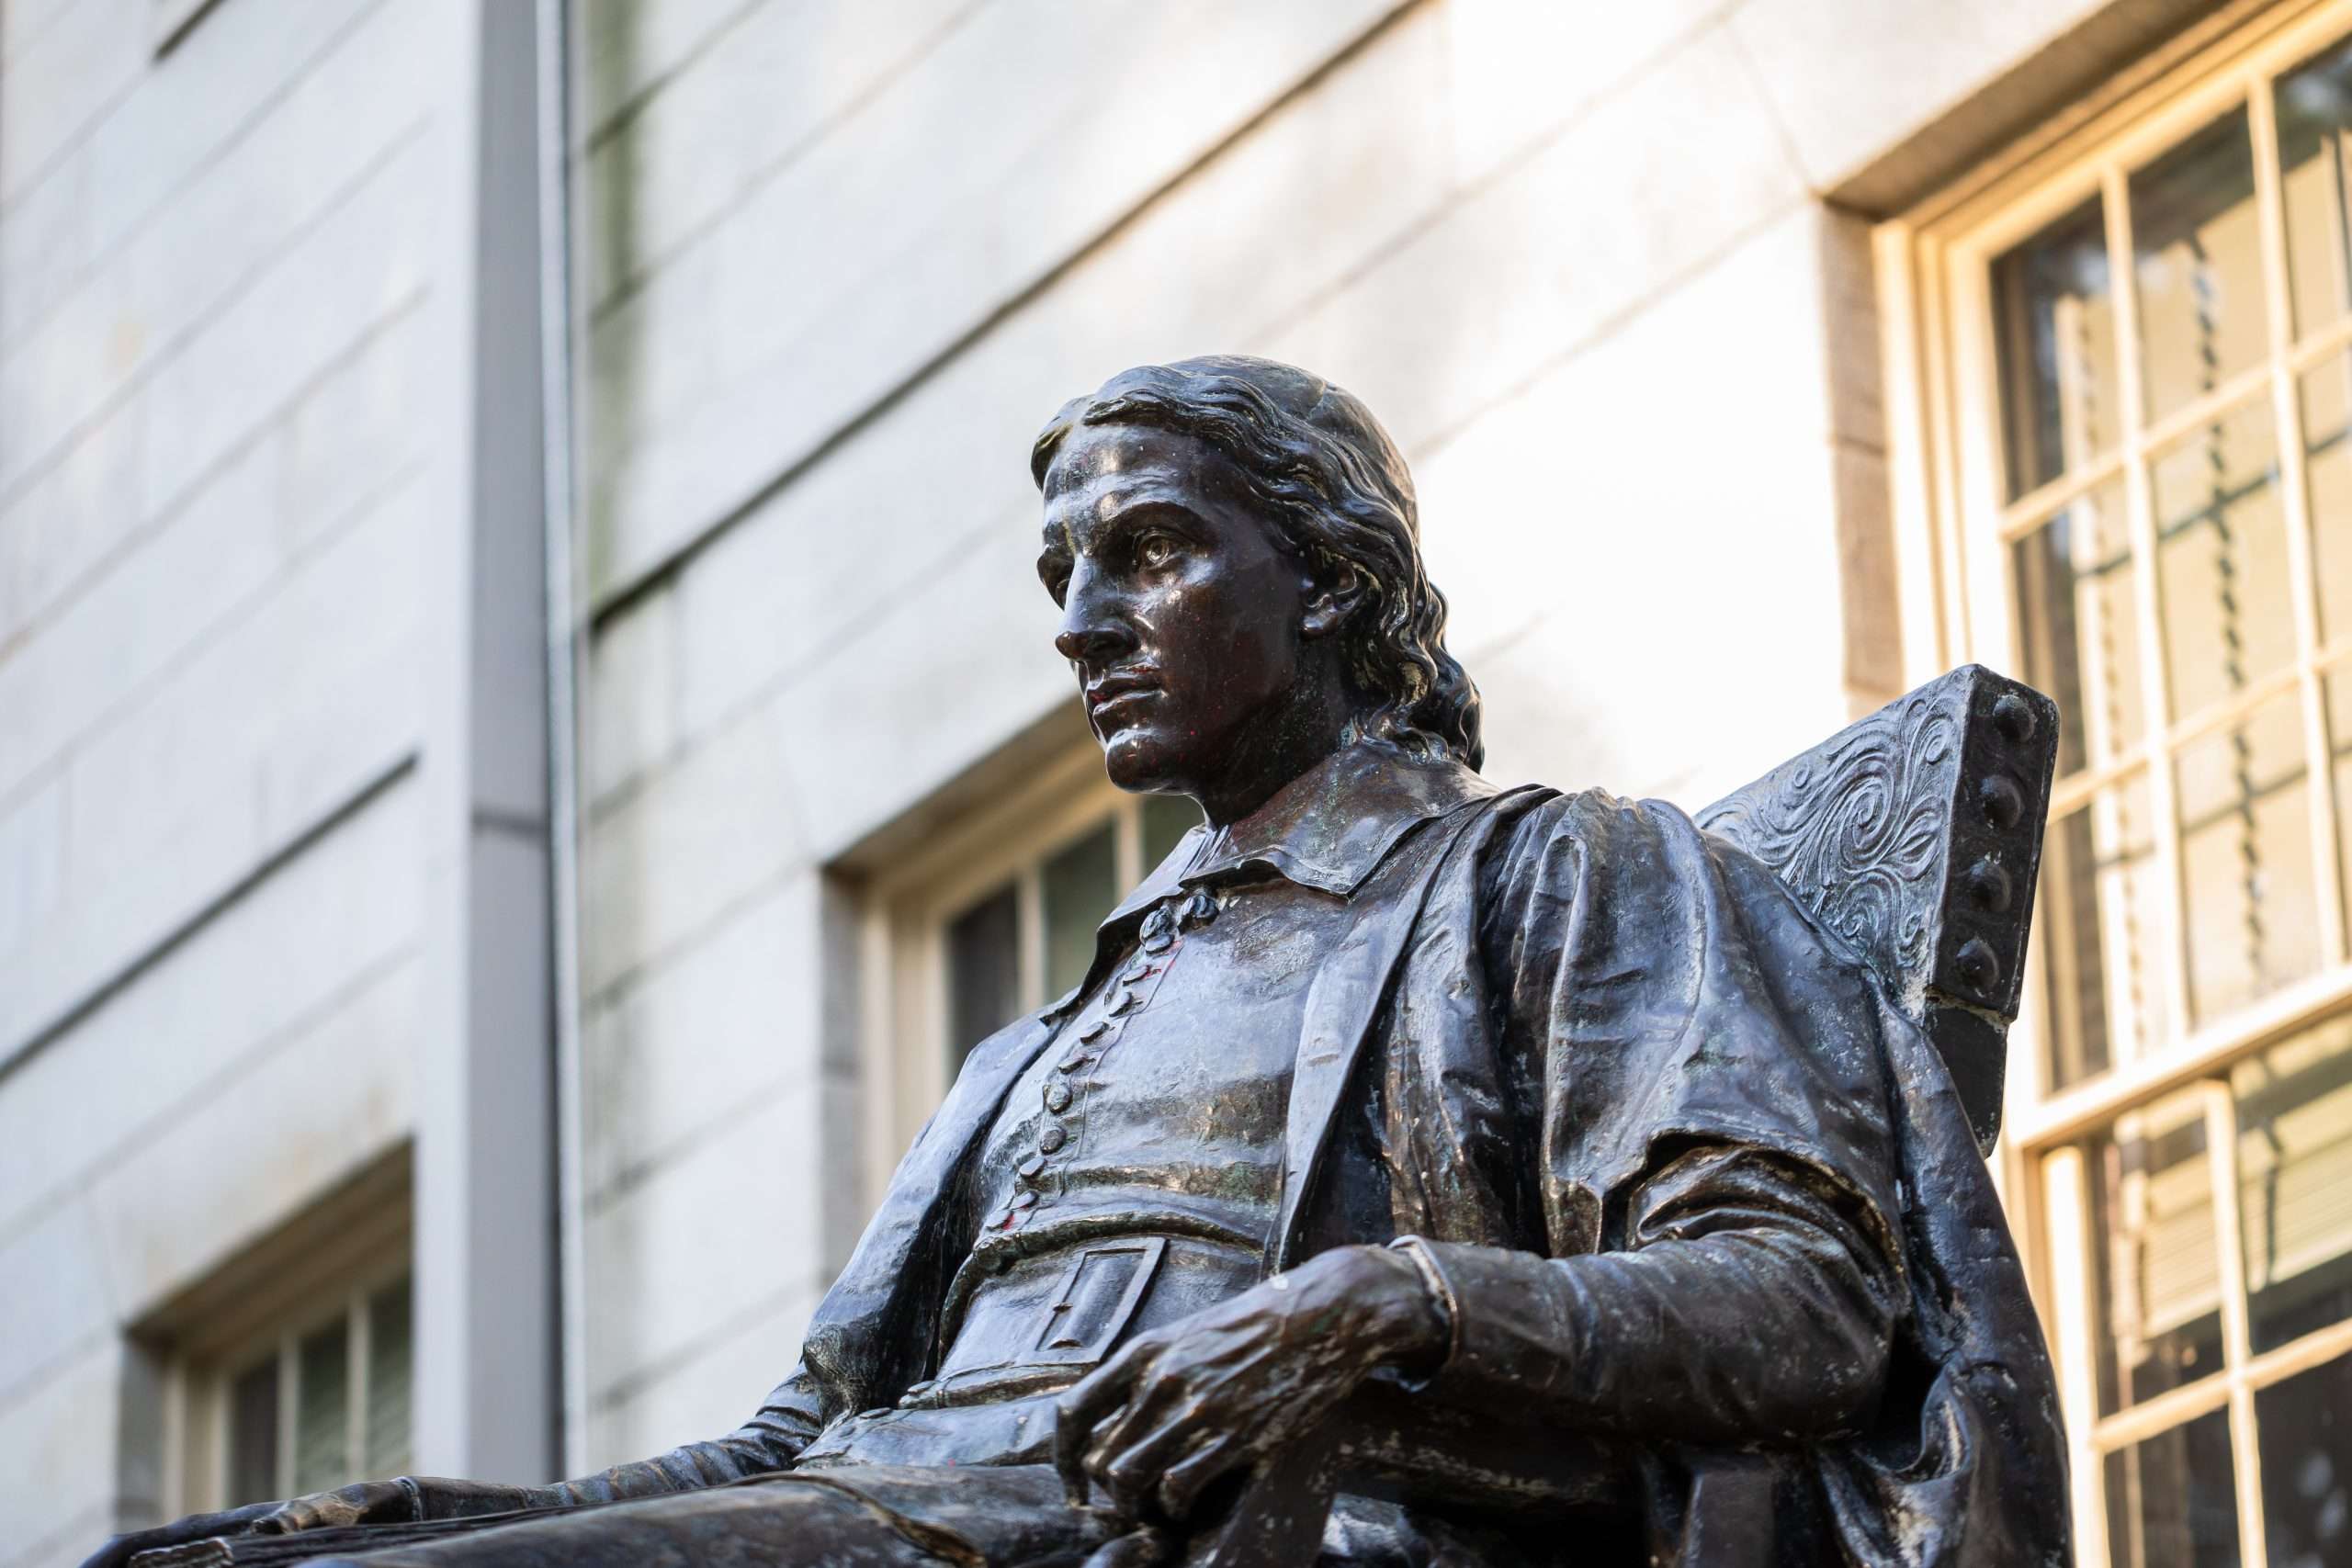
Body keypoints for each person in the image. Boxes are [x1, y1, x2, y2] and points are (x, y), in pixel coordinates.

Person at [88, 357, 2068, 1568]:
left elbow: (1807, 1301)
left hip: (1220, 1521)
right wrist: (485, 1513)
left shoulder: (1555, 875)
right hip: (917, 1508)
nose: (1080, 619)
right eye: (1063, 574)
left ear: (1332, 579)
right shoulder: (1030, 1049)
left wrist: (1378, 1302)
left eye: (1148, 552)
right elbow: (802, 1441)